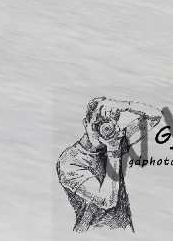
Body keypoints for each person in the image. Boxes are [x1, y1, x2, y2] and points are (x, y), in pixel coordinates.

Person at [56, 97, 162, 232]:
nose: (102, 130)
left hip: (124, 232)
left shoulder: (115, 140)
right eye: (97, 124)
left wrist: (123, 105)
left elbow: (155, 116)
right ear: (86, 123)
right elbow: (107, 201)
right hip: (91, 234)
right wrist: (113, 151)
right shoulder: (69, 161)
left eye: (108, 124)